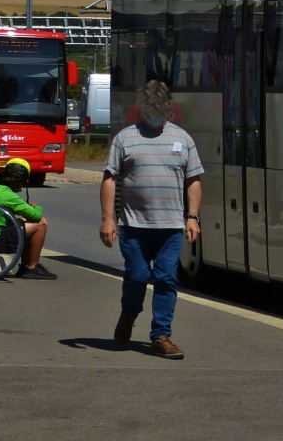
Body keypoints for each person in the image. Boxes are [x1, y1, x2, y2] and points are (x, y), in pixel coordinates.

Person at [100, 80, 203, 360]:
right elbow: (110, 179)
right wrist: (108, 219)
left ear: (168, 108)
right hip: (135, 226)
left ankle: (161, 335)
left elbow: (193, 181)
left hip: (170, 227)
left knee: (167, 277)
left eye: (161, 109)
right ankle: (129, 312)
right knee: (136, 276)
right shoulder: (125, 138)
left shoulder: (183, 139)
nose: (156, 114)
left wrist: (192, 217)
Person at [0, 158, 56, 280]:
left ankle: (25, 267)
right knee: (40, 225)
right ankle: (32, 267)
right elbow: (36, 215)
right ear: (24, 181)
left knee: (23, 223)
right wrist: (37, 206)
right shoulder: (8, 195)